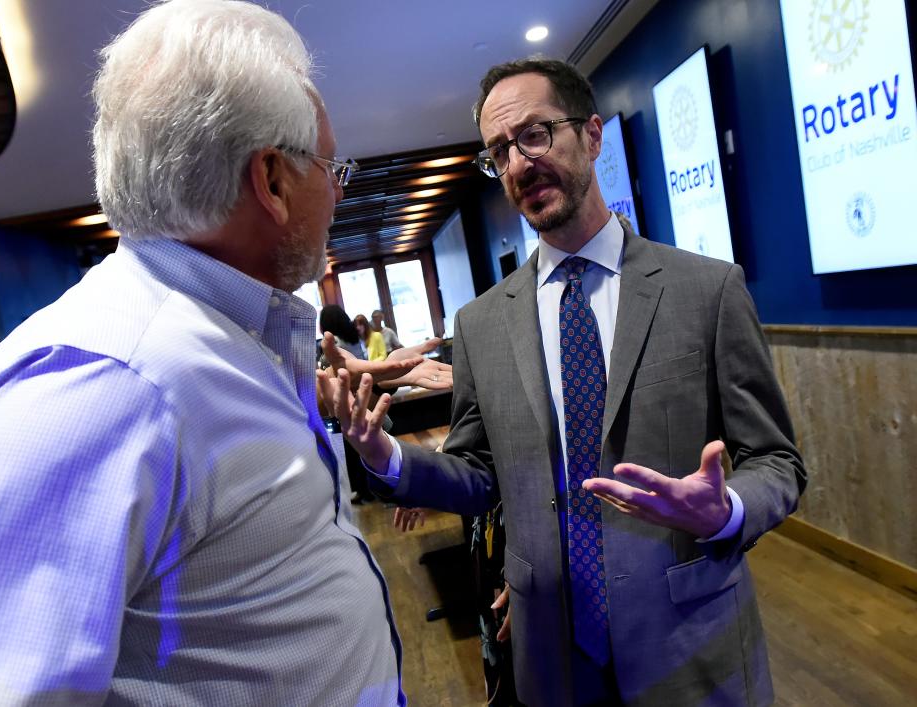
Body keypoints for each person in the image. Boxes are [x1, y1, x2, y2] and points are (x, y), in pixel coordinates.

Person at [0, 1, 451, 703]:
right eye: (332, 171)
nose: (337, 198)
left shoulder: (232, 334)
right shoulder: (102, 384)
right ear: (274, 180)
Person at [334, 57, 806, 706]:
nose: (519, 162)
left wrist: (728, 511)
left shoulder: (707, 290)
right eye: (500, 151)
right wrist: (385, 455)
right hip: (551, 654)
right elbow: (479, 474)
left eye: (535, 133)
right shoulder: (481, 325)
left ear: (591, 135)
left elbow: (778, 460)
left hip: (692, 645)